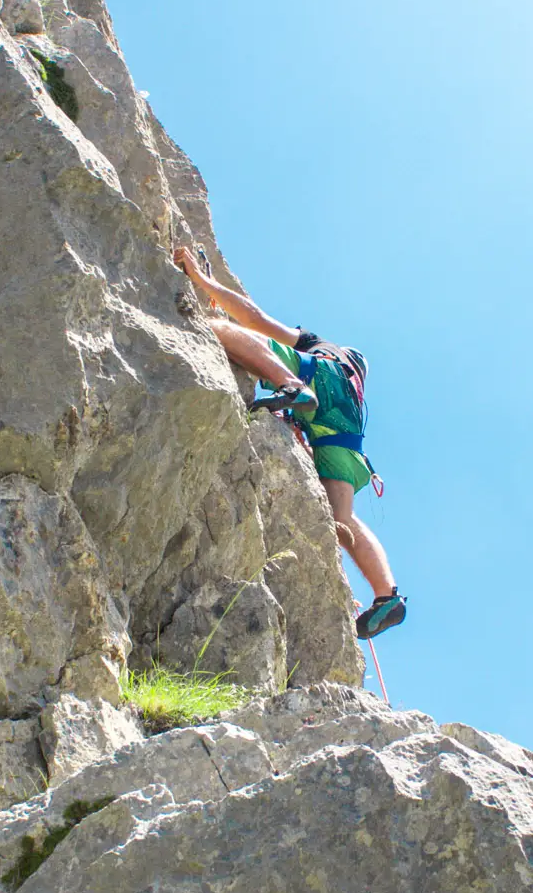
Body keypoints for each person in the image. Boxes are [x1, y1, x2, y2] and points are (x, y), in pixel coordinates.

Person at [174, 245, 407, 639]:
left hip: (320, 385)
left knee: (217, 328)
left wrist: (202, 281)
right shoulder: (356, 391)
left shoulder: (324, 350)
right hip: (347, 437)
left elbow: (255, 319)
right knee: (342, 520)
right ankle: (387, 596)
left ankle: (290, 383)